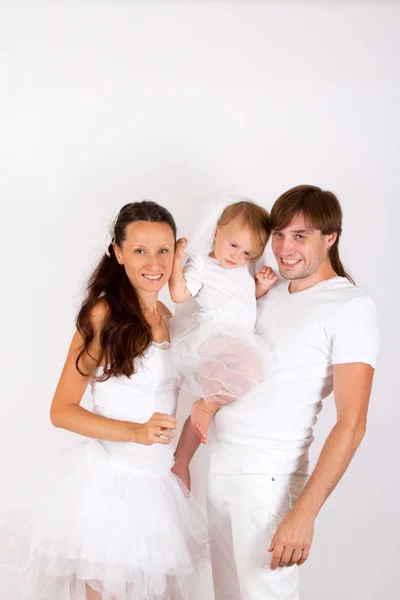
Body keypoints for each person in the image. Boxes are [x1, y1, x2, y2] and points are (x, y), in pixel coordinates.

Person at [172, 185, 379, 600]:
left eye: (300, 236)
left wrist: (304, 513)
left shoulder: (349, 306)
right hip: (222, 470)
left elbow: (352, 423)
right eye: (279, 235)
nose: (284, 248)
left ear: (330, 237)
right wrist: (183, 458)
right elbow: (218, 378)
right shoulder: (263, 292)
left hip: (269, 480)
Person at [1, 201, 208, 600]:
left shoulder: (167, 315)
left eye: (164, 250)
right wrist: (135, 431)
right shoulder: (102, 314)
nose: (154, 263)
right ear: (117, 252)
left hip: (159, 489)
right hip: (112, 489)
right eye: (140, 250)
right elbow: (61, 411)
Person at [168, 200, 277, 445]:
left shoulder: (245, 268)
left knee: (226, 384)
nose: (237, 256)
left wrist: (261, 286)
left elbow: (244, 298)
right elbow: (179, 294)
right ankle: (206, 406)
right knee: (253, 370)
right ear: (217, 232)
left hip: (235, 338)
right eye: (233, 245)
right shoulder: (203, 265)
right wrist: (176, 264)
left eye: (247, 253)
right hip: (215, 335)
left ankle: (185, 451)